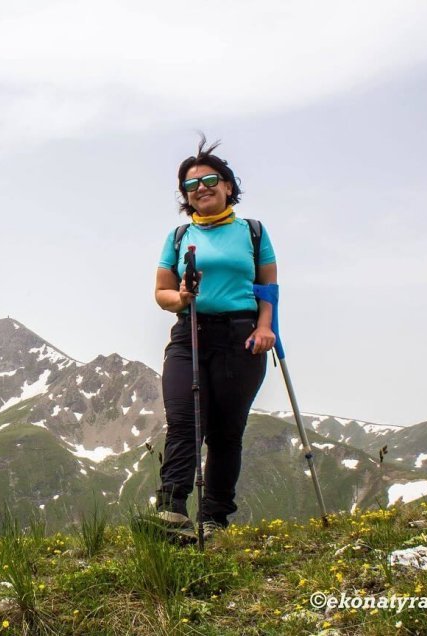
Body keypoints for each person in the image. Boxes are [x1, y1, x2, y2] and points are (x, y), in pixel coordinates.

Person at [154, 137, 276, 537]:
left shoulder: (253, 233)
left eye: (209, 180)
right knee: (184, 421)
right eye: (190, 185)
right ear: (185, 196)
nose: (200, 188)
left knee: (226, 431)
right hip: (190, 335)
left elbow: (268, 287)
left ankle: (214, 519)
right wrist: (183, 297)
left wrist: (264, 327)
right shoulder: (177, 237)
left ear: (227, 185)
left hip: (242, 338)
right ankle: (171, 510)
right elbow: (162, 293)